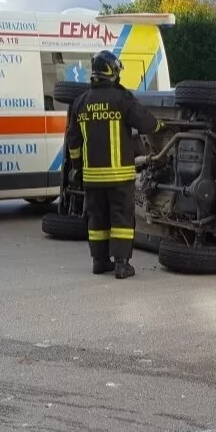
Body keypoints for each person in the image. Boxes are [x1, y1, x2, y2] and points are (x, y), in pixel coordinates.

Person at [65, 50, 163, 279]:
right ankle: (121, 264)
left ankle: (99, 262)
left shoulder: (81, 102)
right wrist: (160, 127)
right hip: (119, 176)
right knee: (121, 218)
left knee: (97, 218)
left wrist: (77, 167)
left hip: (91, 177)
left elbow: (73, 140)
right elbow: (145, 122)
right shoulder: (122, 98)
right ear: (112, 71)